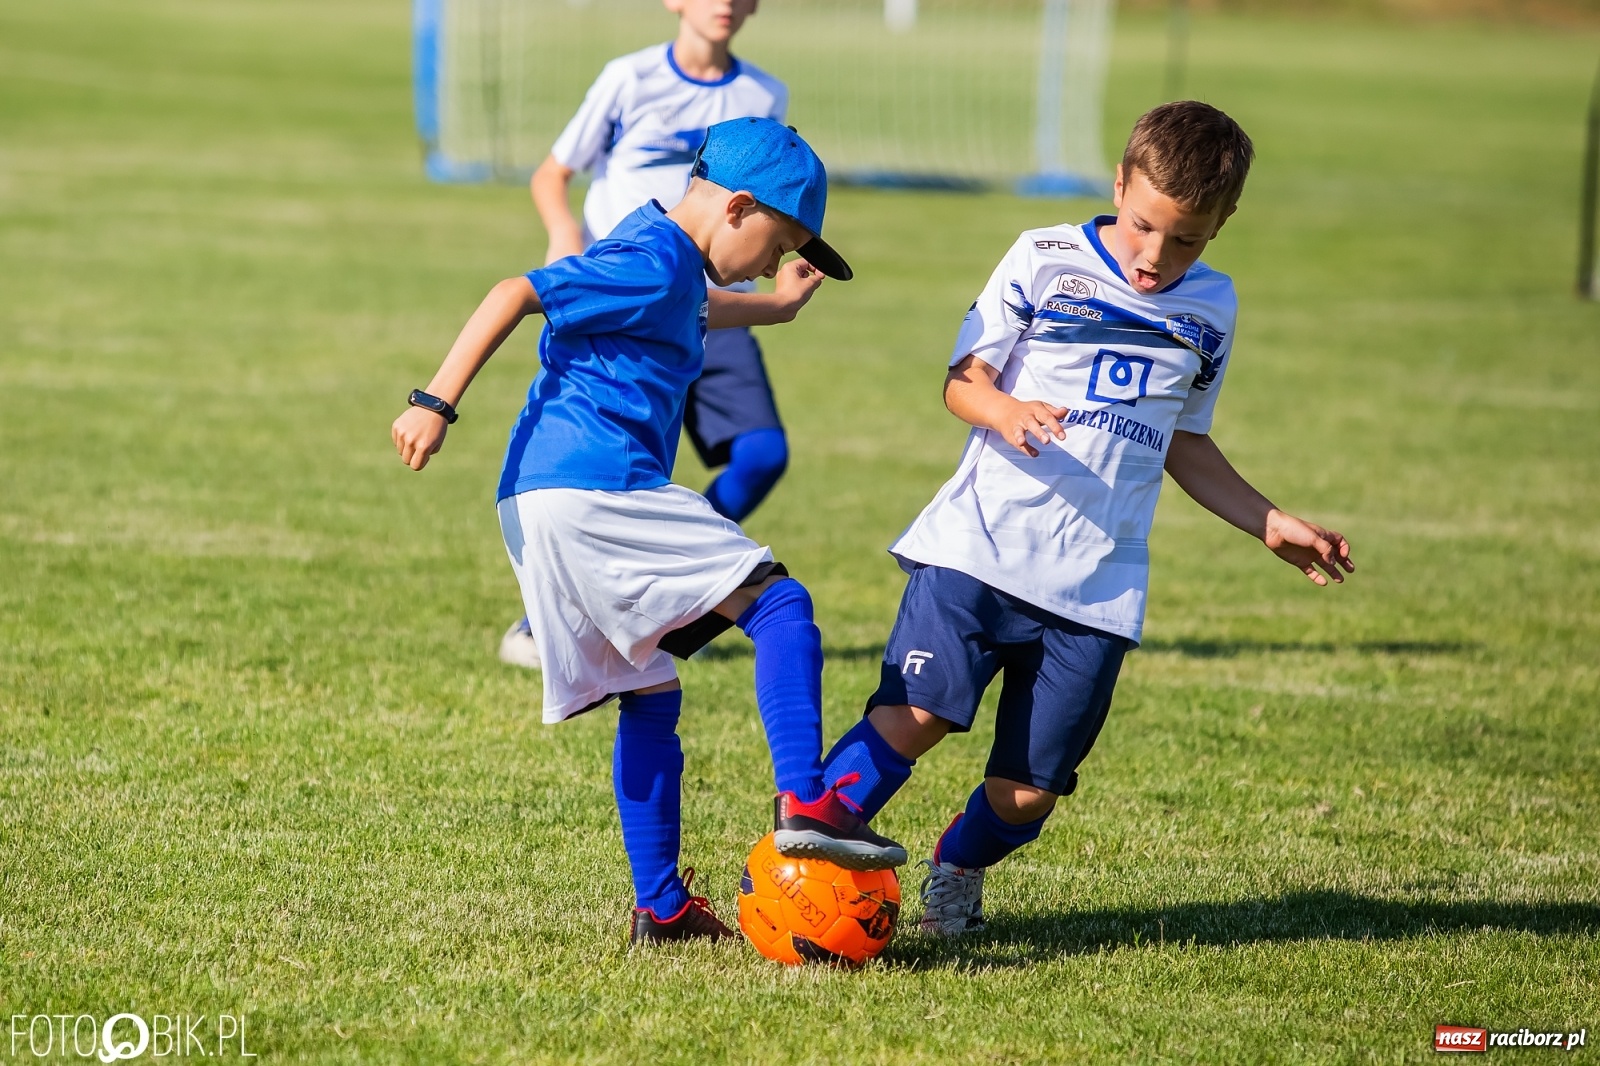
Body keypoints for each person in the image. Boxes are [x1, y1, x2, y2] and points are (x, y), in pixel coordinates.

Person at [813, 101, 1356, 936]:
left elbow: (1186, 442)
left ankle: (955, 868)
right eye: (1143, 227)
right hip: (981, 547)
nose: (1154, 257)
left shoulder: (1212, 308)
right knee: (919, 713)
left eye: (1187, 240)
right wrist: (1003, 411)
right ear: (1118, 185)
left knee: (1027, 792)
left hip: (1097, 585)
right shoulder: (1045, 258)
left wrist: (1268, 520)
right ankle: (816, 835)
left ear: (1223, 225)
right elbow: (963, 382)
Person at [392, 119, 906, 945]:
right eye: (780, 244)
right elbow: (515, 293)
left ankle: (660, 909)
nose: (778, 262)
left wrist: (775, 307)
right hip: (593, 484)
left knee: (648, 691)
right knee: (779, 606)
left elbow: (694, 307)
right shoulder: (649, 257)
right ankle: (806, 799)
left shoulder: (667, 262)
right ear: (738, 206)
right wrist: (434, 402)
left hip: (536, 503)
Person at [500, 0, 795, 669]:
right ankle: (567, 611)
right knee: (616, 474)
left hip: (716, 303)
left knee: (763, 453)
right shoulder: (628, 79)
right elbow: (553, 173)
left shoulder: (762, 95)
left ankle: (691, 583)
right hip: (630, 305)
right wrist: (564, 235)